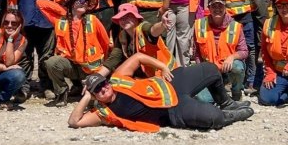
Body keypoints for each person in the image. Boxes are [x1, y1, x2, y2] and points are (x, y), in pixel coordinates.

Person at [67, 54, 253, 132]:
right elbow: (74, 122)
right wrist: (85, 98)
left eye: (103, 83)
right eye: (98, 90)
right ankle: (229, 115)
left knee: (211, 69)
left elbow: (138, 57)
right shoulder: (103, 113)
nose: (104, 88)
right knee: (213, 119)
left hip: (171, 84)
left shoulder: (118, 78)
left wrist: (162, 66)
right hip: (172, 110)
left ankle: (226, 102)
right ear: (95, 97)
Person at [38, 0, 116, 106]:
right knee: (51, 62)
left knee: (94, 104)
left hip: (92, 69)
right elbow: (40, 3)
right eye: (80, 0)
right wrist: (67, 12)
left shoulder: (92, 20)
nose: (84, 3)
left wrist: (100, 69)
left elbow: (105, 43)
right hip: (72, 67)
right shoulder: (61, 21)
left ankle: (86, 87)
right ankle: (62, 92)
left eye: (86, 1)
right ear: (72, 3)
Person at [194, 0, 248, 101]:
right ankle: (218, 91)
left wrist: (231, 57)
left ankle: (236, 93)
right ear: (209, 8)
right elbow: (197, 54)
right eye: (214, 6)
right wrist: (201, 70)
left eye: (220, 6)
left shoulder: (235, 26)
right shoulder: (199, 25)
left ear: (225, 8)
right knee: (203, 100)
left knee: (238, 67)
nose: (217, 9)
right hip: (210, 70)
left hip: (228, 67)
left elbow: (244, 51)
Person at [110, 3, 178, 78]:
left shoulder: (143, 28)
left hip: (167, 72)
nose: (124, 20)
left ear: (136, 18)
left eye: (128, 16)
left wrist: (162, 25)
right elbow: (113, 59)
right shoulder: (122, 36)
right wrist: (98, 77)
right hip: (149, 77)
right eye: (121, 18)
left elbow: (152, 30)